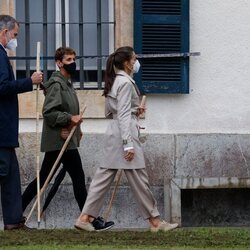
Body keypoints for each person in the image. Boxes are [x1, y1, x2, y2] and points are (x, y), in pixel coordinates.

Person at [75, 46, 178, 232]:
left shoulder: (116, 81)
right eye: (134, 58)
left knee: (104, 177)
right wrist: (127, 144)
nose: (136, 62)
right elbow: (121, 114)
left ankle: (85, 217)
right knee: (138, 177)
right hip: (124, 133)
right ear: (126, 63)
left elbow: (112, 111)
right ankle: (155, 222)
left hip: (116, 131)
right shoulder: (124, 83)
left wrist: (133, 111)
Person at [22, 47, 114, 230]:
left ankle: (16, 212)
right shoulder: (57, 84)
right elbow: (49, 112)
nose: (72, 63)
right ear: (59, 63)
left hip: (66, 139)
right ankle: (89, 220)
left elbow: (69, 109)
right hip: (59, 141)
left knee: (45, 179)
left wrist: (76, 127)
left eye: (74, 59)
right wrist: (69, 119)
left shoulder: (66, 83)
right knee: (75, 179)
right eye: (68, 60)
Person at [0, 15, 43, 230]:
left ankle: (13, 220)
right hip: (2, 129)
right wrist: (29, 81)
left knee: (11, 178)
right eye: (14, 35)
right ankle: (12, 220)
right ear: (4, 32)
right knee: (5, 175)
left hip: (6, 131)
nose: (14, 39)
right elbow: (3, 86)